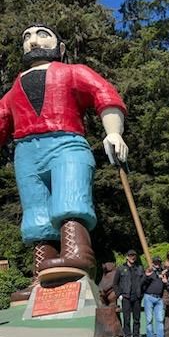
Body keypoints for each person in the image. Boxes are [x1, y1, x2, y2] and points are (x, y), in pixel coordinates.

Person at [0, 24, 128, 280]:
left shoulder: (73, 72)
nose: (33, 41)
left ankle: (76, 252)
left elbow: (103, 94)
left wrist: (113, 131)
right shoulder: (14, 90)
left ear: (60, 47)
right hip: (26, 153)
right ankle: (42, 271)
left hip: (66, 144)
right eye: (27, 37)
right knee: (36, 210)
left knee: (70, 197)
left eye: (42, 34)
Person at [114, 250, 145, 337]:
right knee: (126, 320)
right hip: (126, 297)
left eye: (134, 256)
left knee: (137, 319)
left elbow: (143, 282)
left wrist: (142, 294)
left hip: (137, 297)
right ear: (127, 257)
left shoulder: (140, 268)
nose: (133, 257)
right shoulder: (121, 269)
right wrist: (119, 295)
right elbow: (115, 283)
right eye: (130, 256)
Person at [143, 257, 167, 337]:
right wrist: (146, 276)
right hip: (148, 297)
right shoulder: (149, 271)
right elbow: (142, 284)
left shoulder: (162, 272)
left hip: (159, 298)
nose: (157, 264)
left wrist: (164, 278)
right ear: (152, 263)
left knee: (160, 320)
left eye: (158, 262)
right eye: (155, 262)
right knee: (149, 320)